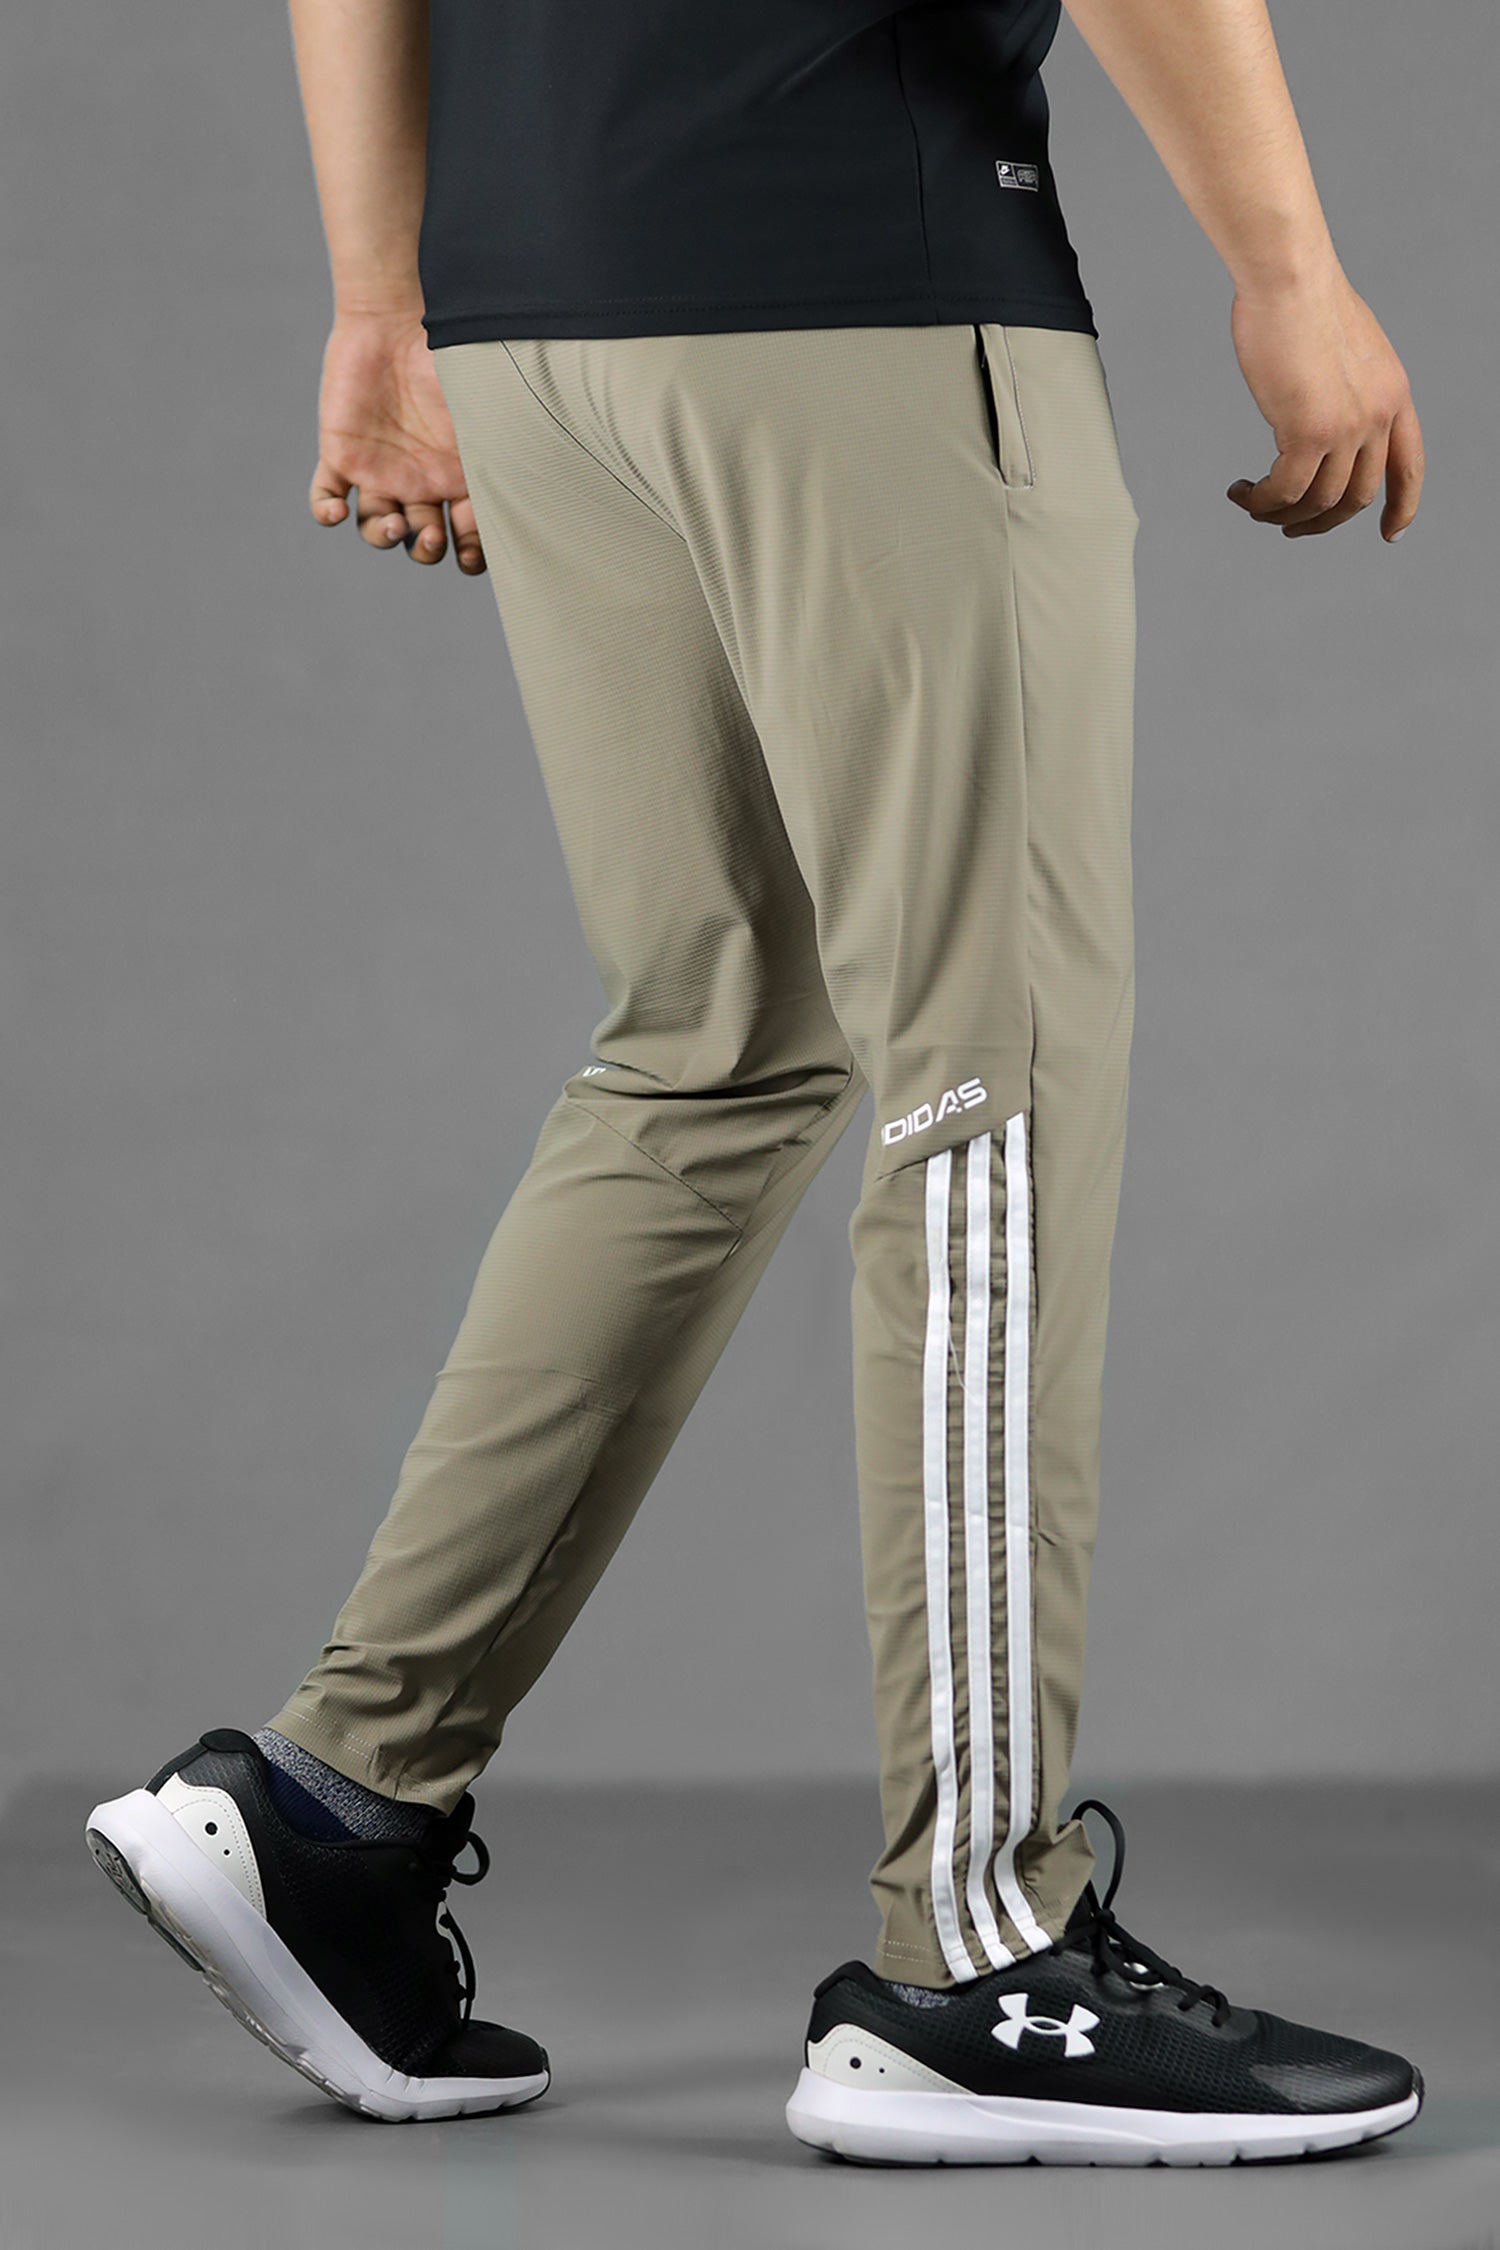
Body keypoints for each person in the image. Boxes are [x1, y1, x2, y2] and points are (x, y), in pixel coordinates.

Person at [86, 0, 1427, 2162]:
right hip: (863, 271)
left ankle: (338, 1806)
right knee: (987, 1090)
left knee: (707, 1051)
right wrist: (1290, 268)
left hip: (536, 310)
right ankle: (979, 1950)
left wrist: (379, 298)